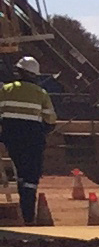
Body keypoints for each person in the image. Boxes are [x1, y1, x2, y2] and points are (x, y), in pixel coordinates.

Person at [0, 55, 52, 225]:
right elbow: (50, 119)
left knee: (19, 170)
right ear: (35, 75)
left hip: (10, 138)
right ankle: (28, 214)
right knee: (30, 177)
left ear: (19, 72)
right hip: (33, 140)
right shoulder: (41, 93)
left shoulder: (5, 89)